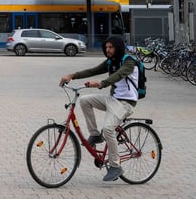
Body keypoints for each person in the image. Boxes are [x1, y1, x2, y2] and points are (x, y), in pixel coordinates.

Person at [59, 35, 139, 182]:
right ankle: (95, 135)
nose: (107, 50)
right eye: (106, 47)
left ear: (118, 47)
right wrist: (72, 75)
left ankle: (116, 166)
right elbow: (92, 71)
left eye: (111, 47)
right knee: (84, 100)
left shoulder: (129, 62)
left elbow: (118, 75)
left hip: (126, 104)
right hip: (112, 100)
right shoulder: (111, 61)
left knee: (108, 129)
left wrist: (102, 83)